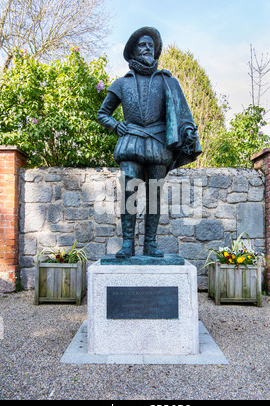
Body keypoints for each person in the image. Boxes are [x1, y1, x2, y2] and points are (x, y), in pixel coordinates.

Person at [98, 27, 202, 258]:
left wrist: (188, 132)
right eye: (142, 45)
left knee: (155, 195)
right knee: (130, 194)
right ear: (133, 52)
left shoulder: (168, 81)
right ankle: (127, 245)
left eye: (150, 46)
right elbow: (102, 113)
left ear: (155, 52)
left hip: (158, 143)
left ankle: (150, 244)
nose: (147, 49)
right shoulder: (122, 83)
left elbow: (181, 115)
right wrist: (116, 125)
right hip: (131, 141)